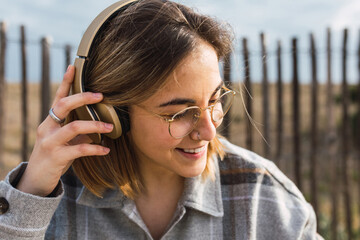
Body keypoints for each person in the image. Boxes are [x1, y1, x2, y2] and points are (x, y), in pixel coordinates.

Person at [0, 0, 323, 239]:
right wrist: (31, 197)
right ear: (111, 114)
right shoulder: (52, 200)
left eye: (214, 100)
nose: (209, 130)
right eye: (179, 114)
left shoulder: (265, 198)